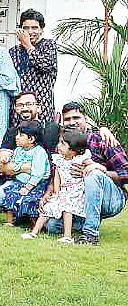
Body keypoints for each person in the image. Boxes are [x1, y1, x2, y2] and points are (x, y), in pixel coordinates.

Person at [54, 102, 127, 244]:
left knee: (92, 173)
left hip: (111, 198)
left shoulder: (102, 139)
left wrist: (101, 169)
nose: (72, 122)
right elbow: (58, 171)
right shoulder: (62, 143)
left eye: (76, 117)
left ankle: (90, 234)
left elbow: (126, 174)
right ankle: (82, 222)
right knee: (52, 226)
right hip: (77, 199)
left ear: (85, 118)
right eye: (67, 119)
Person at [22, 128, 90, 243]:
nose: (59, 146)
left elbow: (91, 165)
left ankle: (67, 236)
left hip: (76, 191)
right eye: (59, 142)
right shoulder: (59, 159)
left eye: (63, 144)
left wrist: (91, 167)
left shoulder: (80, 159)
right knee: (48, 206)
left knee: (67, 207)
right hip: (63, 190)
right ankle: (34, 232)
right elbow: (57, 176)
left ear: (73, 149)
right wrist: (57, 192)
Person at [0, 120, 51, 226]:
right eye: (17, 134)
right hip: (19, 181)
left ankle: (34, 224)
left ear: (31, 139)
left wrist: (28, 187)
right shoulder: (19, 149)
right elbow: (15, 164)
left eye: (21, 135)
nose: (17, 137)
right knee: (10, 194)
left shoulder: (39, 152)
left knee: (31, 200)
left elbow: (38, 173)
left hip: (36, 184)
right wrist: (7, 159)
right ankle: (9, 221)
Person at [10, 9, 57, 124]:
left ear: (41, 29)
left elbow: (45, 65)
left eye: (35, 28)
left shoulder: (49, 45)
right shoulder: (13, 51)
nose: (30, 31)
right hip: (19, 109)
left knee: (44, 139)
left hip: (42, 106)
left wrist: (28, 46)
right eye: (26, 28)